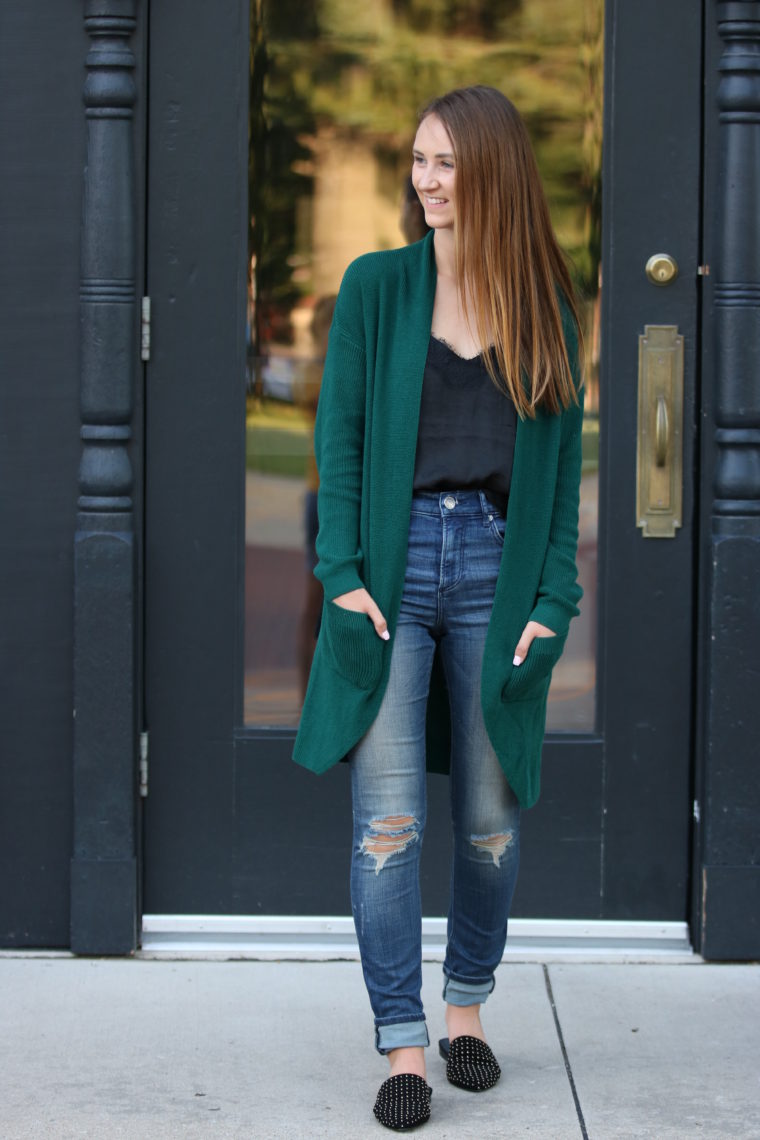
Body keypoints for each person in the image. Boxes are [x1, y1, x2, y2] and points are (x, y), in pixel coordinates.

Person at [293, 85, 584, 1131]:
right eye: (418, 159)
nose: (425, 180)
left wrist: (555, 598)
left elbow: (560, 479)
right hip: (392, 564)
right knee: (388, 826)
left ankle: (466, 1011)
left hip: (499, 574)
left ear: (491, 171)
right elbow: (339, 438)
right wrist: (343, 574)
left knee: (491, 825)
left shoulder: (543, 308)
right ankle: (403, 1042)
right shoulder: (377, 289)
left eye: (446, 162)